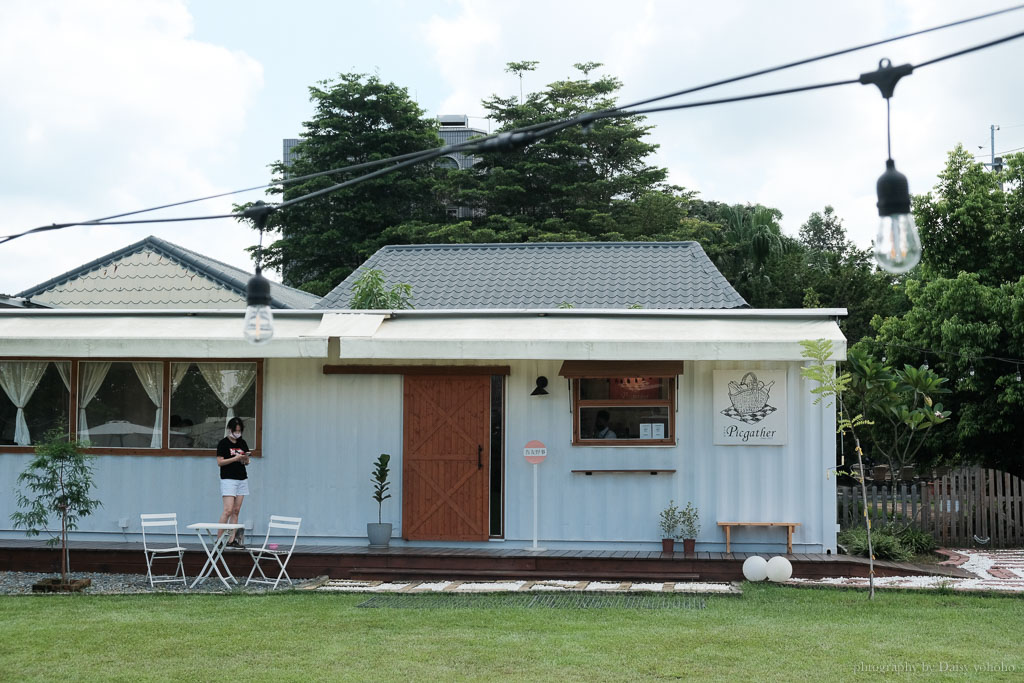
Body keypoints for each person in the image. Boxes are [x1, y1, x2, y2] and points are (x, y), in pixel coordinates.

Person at [216, 417, 250, 548]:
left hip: (242, 478)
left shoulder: (242, 443)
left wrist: (244, 459)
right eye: (235, 430)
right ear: (230, 430)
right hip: (228, 479)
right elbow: (220, 462)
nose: (237, 433)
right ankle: (219, 539)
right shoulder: (223, 443)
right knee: (228, 510)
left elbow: (247, 461)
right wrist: (235, 458)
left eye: (239, 431)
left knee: (236, 510)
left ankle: (231, 539)